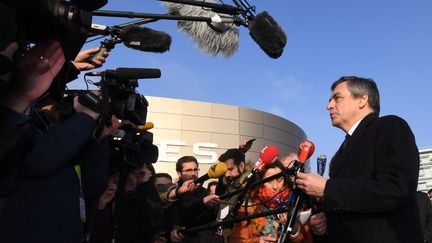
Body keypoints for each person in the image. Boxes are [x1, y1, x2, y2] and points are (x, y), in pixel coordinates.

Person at [295, 76, 422, 243]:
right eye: (329, 100)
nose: (329, 106)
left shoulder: (390, 126)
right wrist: (325, 221)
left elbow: (397, 187)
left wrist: (328, 189)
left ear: (362, 99)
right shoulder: (340, 152)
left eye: (337, 98)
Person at [229, 161, 313, 243]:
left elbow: (308, 240)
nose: (275, 186)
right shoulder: (249, 207)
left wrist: (295, 230)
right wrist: (257, 241)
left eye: (279, 180)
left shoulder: (295, 203)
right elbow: (235, 240)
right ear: (261, 182)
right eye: (269, 181)